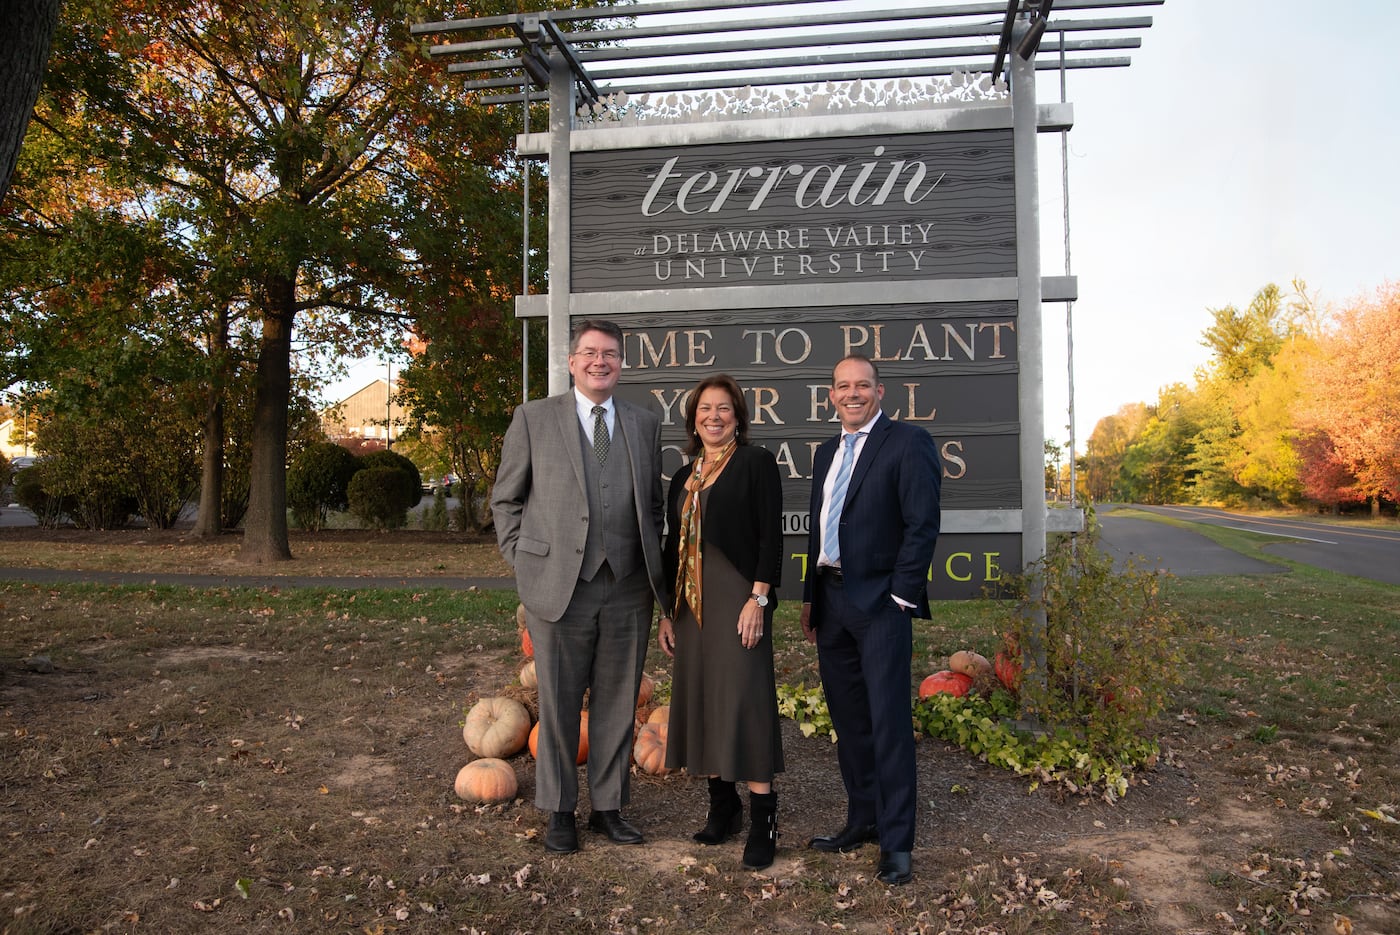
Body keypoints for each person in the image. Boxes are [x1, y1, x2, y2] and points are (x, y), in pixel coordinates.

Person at [491, 318, 667, 855]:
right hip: (558, 586)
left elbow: (652, 507)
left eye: (610, 354)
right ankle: (561, 810)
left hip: (629, 586)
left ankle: (608, 809)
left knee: (617, 704)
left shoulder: (643, 423)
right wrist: (523, 560)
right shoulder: (534, 418)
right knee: (560, 704)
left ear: (621, 363)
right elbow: (506, 500)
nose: (599, 361)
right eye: (589, 352)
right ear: (571, 361)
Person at [800, 354, 942, 886]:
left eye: (862, 385)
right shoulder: (824, 452)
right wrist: (811, 599)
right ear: (831, 395)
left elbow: (921, 525)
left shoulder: (907, 443)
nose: (852, 394)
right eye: (842, 386)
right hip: (832, 604)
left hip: (881, 605)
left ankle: (897, 842)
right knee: (850, 722)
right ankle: (862, 819)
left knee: (888, 725)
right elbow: (822, 529)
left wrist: (901, 598)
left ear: (880, 392)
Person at [658, 374, 785, 871]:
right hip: (692, 606)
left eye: (724, 408)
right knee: (707, 696)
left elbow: (770, 537)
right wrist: (667, 613)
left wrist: (760, 599)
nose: (714, 416)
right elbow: (673, 547)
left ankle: (763, 821)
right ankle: (723, 807)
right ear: (693, 417)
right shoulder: (683, 477)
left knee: (745, 699)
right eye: (705, 408)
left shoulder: (755, 464)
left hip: (738, 597)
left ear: (738, 416)